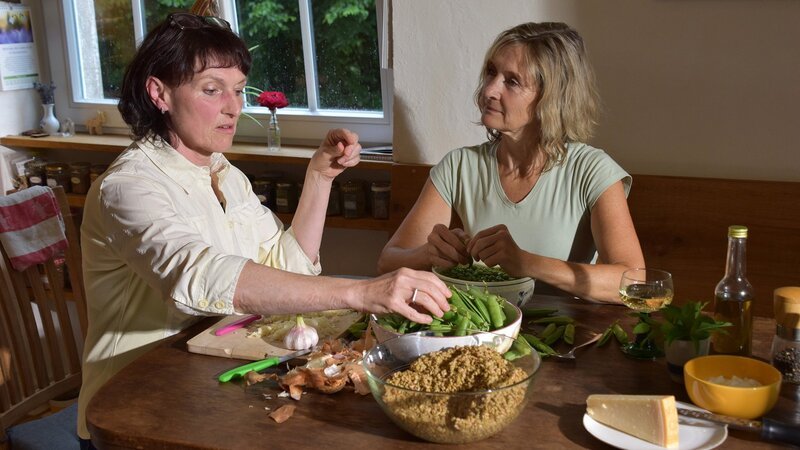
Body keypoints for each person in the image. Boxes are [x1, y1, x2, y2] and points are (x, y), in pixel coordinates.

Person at [76, 12, 449, 443]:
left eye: (238, 91)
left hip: (207, 387)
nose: (234, 107)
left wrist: (319, 178)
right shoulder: (127, 188)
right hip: (133, 409)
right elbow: (201, 276)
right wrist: (360, 291)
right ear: (159, 93)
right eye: (211, 90)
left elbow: (286, 263)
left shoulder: (224, 174)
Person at [377, 22, 644, 304]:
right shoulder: (458, 166)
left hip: (564, 340)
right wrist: (428, 255)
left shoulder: (593, 170)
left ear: (551, 98)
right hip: (478, 336)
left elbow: (633, 281)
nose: (490, 90)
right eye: (491, 72)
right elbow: (387, 262)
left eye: (512, 81)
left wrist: (525, 262)